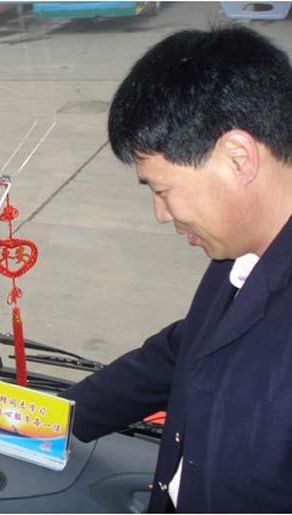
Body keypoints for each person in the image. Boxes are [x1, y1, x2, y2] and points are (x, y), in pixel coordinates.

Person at [62, 25, 292, 512]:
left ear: (238, 157)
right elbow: (186, 351)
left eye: (162, 189)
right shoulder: (238, 254)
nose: (161, 214)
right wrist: (42, 418)